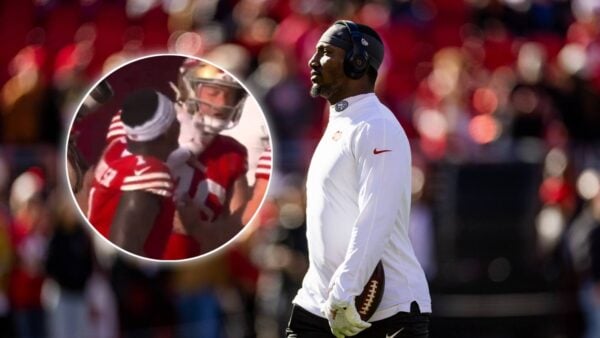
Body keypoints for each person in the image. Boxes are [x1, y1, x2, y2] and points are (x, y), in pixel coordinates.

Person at [286, 20, 431, 338]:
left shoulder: (375, 125)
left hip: (381, 310)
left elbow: (376, 217)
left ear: (357, 61)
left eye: (325, 52)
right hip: (322, 302)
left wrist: (343, 292)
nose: (312, 61)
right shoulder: (341, 122)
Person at [162, 59, 251, 259]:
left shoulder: (232, 153)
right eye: (213, 93)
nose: (223, 104)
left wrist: (198, 228)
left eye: (231, 95)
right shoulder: (155, 133)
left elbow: (241, 230)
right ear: (189, 90)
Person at [87, 88, 180, 259]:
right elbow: (123, 248)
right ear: (167, 131)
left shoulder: (119, 142)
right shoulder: (149, 175)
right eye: (175, 118)